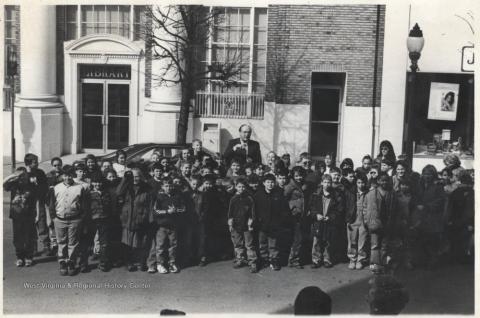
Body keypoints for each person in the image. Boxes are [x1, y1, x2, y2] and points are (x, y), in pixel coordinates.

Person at [48, 166, 89, 276]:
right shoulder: (56, 188)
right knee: (61, 242)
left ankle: (71, 262)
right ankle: (62, 262)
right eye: (65, 175)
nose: (67, 177)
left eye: (70, 175)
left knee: (73, 243)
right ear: (62, 176)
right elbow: (51, 204)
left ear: (73, 175)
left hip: (75, 219)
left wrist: (81, 218)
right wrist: (54, 217)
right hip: (59, 219)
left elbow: (84, 206)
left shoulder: (80, 188)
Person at [117, 168, 152, 272]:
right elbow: (118, 192)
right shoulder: (127, 186)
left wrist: (150, 219)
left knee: (141, 242)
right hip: (128, 218)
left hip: (141, 218)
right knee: (127, 242)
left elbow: (150, 204)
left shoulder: (146, 188)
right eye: (133, 176)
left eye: (137, 176)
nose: (135, 178)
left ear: (140, 177)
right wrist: (125, 179)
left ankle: (142, 262)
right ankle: (129, 262)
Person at [150, 177, 185, 274]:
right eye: (166, 186)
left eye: (170, 186)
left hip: (173, 225)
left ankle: (172, 263)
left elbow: (183, 208)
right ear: (162, 187)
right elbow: (155, 211)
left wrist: (175, 210)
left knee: (173, 245)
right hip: (162, 226)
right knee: (160, 246)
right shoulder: (159, 197)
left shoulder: (177, 196)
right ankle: (160, 264)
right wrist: (167, 211)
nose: (168, 188)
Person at [254, 174, 289, 270]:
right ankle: (264, 260)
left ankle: (274, 260)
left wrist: (281, 221)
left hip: (275, 225)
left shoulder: (279, 194)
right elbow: (255, 210)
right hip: (262, 225)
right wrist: (257, 221)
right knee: (262, 243)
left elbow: (284, 210)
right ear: (264, 183)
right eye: (268, 182)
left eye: (272, 182)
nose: (270, 184)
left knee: (273, 244)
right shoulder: (258, 195)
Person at [4, 167, 37, 267]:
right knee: (18, 238)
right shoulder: (13, 184)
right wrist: (13, 176)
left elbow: (37, 196)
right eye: (20, 175)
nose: (21, 177)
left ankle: (28, 257)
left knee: (28, 237)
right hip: (16, 215)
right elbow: (3, 184)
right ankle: (19, 257)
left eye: (23, 174)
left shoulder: (31, 183)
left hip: (29, 214)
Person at [363, 173, 396, 272]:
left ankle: (383, 263)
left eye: (386, 180)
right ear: (378, 181)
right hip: (375, 222)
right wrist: (367, 220)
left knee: (384, 244)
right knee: (375, 244)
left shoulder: (392, 194)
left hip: (387, 222)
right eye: (382, 180)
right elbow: (365, 207)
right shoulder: (371, 194)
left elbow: (395, 208)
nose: (384, 182)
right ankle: (374, 264)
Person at [415, 165, 445, 269]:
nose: (427, 176)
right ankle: (423, 261)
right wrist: (418, 205)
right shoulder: (420, 185)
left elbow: (441, 201)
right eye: (425, 174)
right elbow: (415, 197)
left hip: (433, 217)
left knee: (432, 241)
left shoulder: (438, 186)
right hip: (421, 217)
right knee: (422, 239)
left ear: (434, 175)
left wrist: (427, 207)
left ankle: (433, 261)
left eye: (429, 174)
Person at [309, 174, 341, 268]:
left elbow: (338, 210)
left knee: (328, 241)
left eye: (329, 182)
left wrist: (331, 217)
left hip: (329, 221)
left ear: (331, 183)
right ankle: (316, 260)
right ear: (322, 183)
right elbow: (311, 207)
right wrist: (316, 215)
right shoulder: (316, 194)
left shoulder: (335, 196)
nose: (327, 184)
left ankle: (327, 259)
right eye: (325, 182)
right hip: (318, 221)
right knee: (316, 241)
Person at [227, 177, 258, 273]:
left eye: (243, 187)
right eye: (239, 187)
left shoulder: (249, 198)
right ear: (236, 187)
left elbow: (252, 212)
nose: (241, 189)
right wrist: (230, 223)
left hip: (247, 225)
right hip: (236, 225)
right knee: (238, 244)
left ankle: (252, 262)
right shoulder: (233, 199)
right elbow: (230, 212)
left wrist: (251, 221)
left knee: (249, 245)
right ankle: (240, 259)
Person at [284, 166, 310, 269]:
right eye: (297, 176)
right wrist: (291, 209)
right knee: (297, 239)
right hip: (293, 216)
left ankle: (295, 258)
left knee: (299, 238)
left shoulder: (304, 185)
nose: (299, 178)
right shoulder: (290, 186)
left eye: (300, 175)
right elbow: (284, 199)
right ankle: (293, 260)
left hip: (302, 215)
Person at [24, 153, 50, 256]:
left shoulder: (40, 173)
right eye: (35, 162)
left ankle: (46, 245)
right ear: (29, 164)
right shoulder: (24, 173)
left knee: (42, 223)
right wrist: (28, 174)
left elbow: (44, 187)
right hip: (28, 204)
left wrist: (38, 189)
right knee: (30, 226)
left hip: (39, 201)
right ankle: (33, 248)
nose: (38, 163)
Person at [446, 170, 474, 264]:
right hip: (465, 221)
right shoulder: (470, 192)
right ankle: (461, 258)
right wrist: (470, 223)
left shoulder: (456, 192)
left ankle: (456, 258)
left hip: (456, 221)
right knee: (464, 241)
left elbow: (451, 207)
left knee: (456, 240)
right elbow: (470, 209)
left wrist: (449, 220)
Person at [88, 175, 113, 272]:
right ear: (92, 183)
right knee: (90, 241)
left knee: (104, 242)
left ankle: (103, 262)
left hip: (104, 219)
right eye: (95, 182)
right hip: (92, 220)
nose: (97, 184)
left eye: (99, 182)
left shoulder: (106, 193)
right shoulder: (89, 194)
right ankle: (85, 262)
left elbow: (109, 206)